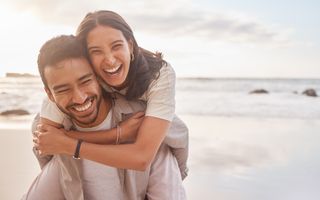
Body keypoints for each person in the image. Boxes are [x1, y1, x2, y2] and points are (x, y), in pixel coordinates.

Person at [24, 35, 185, 200]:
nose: (79, 98)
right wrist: (116, 134)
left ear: (99, 77)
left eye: (85, 81)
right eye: (63, 90)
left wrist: (114, 135)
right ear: (49, 94)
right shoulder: (54, 134)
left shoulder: (143, 125)